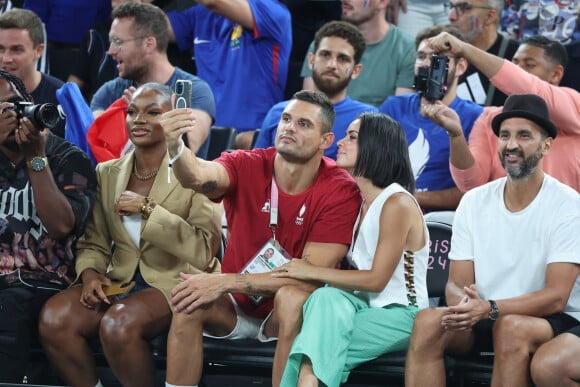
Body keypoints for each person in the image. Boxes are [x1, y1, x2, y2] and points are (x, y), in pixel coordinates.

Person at [161, 90, 362, 387]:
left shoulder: (340, 189)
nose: (289, 127)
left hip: (288, 313)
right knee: (188, 300)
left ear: (326, 141)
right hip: (237, 305)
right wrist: (175, 146)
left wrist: (223, 281)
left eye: (303, 124)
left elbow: (307, 276)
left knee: (292, 299)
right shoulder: (247, 163)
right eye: (286, 119)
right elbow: (197, 176)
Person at [38, 83, 221, 387]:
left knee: (118, 324)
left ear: (173, 116)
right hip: (118, 279)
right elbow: (93, 240)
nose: (139, 120)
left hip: (175, 281)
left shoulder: (201, 173)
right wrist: (91, 273)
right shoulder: (106, 172)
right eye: (132, 112)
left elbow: (203, 252)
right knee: (54, 319)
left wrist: (148, 209)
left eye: (153, 112)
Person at [405, 93, 580, 387]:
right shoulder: (473, 201)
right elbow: (456, 282)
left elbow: (556, 297)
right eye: (505, 135)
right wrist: (462, 304)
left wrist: (490, 308)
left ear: (547, 145)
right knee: (427, 322)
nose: (511, 145)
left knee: (511, 328)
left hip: (553, 319)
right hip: (483, 314)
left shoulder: (568, 204)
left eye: (524, 136)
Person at [274, 112, 429, 387]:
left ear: (376, 147)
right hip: (362, 308)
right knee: (324, 300)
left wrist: (311, 270)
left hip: (402, 315)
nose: (341, 143)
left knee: (313, 343)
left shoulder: (397, 204)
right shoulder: (361, 202)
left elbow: (376, 279)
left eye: (352, 137)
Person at [0, 70, 97, 383]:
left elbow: (60, 226)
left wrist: (35, 158)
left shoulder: (69, 158)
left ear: (30, 104)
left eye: (14, 105)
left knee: (10, 302)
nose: (10, 116)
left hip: (43, 282)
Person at [426, 31, 580, 192]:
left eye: (529, 64)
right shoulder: (488, 117)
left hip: (563, 214)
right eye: (514, 63)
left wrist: (464, 49)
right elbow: (470, 184)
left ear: (556, 74)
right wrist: (456, 135)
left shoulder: (574, 105)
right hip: (502, 214)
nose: (518, 70)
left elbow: (530, 87)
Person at [90, 2, 215, 159]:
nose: (111, 51)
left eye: (118, 42)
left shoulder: (194, 91)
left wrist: (146, 115)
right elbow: (95, 148)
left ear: (149, 44)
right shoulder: (109, 92)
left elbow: (185, 152)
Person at [379, 25, 483, 212]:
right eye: (421, 56)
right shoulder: (393, 107)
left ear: (460, 66)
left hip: (441, 225)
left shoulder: (476, 118)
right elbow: (371, 168)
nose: (425, 64)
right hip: (388, 215)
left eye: (436, 58)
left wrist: (406, 197)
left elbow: (474, 191)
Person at [167, 0, 292, 150]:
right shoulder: (201, 13)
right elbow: (149, 29)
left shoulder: (273, 11)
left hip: (247, 141)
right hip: (204, 134)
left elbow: (214, 2)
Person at [254, 20, 377, 160]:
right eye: (325, 55)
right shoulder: (279, 112)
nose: (332, 65)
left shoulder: (367, 119)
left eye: (342, 59)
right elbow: (258, 169)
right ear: (311, 61)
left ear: (356, 70)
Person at [301, 0, 416, 108]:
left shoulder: (406, 48)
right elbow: (310, 105)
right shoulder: (325, 43)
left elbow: (400, 114)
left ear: (382, 2)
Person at [0, 8, 66, 138]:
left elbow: (78, 155)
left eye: (16, 50)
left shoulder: (61, 97)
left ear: (38, 50)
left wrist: (39, 151)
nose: (6, 59)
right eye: (0, 49)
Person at [448, 0, 519, 106]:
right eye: (451, 6)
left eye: (463, 7)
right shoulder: (444, 52)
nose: (451, 16)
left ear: (489, 16)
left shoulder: (516, 56)